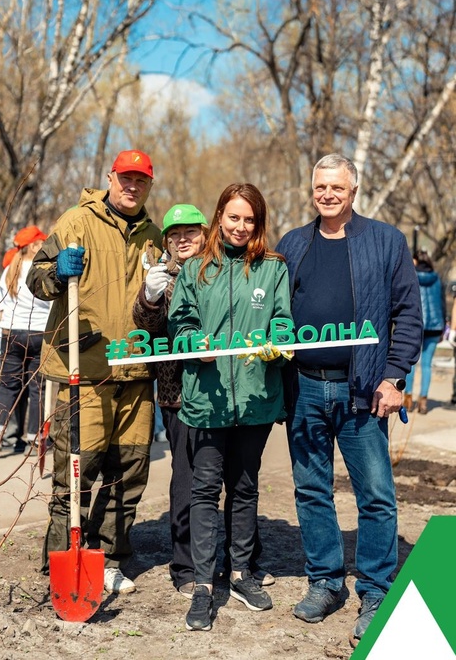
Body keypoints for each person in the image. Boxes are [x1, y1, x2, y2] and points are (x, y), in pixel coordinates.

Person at [276, 153, 422, 648]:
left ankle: (376, 589)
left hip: (363, 391)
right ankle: (325, 582)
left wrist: (394, 376)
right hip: (305, 388)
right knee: (311, 489)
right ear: (312, 189)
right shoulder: (293, 244)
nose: (328, 195)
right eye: (320, 187)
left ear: (353, 190)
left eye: (337, 187)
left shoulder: (385, 241)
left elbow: (408, 314)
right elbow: (275, 315)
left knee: (376, 495)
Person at [26, 149, 163, 595]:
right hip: (82, 371)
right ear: (111, 177)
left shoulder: (155, 237)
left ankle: (110, 558)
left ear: (149, 184)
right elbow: (36, 278)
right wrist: (54, 272)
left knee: (131, 470)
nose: (131, 186)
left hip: (137, 373)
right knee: (76, 472)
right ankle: (61, 562)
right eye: (125, 178)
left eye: (140, 180)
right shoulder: (75, 222)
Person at [133, 203, 275, 601]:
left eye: (190, 233)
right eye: (174, 235)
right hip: (178, 393)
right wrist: (150, 296)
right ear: (166, 241)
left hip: (228, 391)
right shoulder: (163, 274)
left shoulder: (220, 267)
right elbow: (146, 327)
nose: (183, 240)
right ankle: (186, 568)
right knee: (190, 480)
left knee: (237, 477)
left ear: (205, 232)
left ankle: (242, 562)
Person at [168, 184, 293, 631]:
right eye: (233, 217)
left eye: (250, 220)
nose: (241, 227)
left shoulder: (272, 269)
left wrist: (279, 338)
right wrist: (191, 343)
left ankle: (240, 574)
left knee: (244, 489)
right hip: (207, 397)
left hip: (256, 399)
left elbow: (282, 318)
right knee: (203, 490)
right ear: (219, 216)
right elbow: (180, 321)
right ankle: (203, 585)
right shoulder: (196, 269)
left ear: (258, 223)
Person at [0, 226, 51, 457]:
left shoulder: (9, 271)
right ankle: (36, 437)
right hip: (39, 334)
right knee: (37, 388)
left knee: (8, 386)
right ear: (34, 246)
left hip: (11, 334)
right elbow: (53, 304)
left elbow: (2, 308)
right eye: (42, 243)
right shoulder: (42, 270)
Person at [404, 251, 445, 414]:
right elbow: (441, 303)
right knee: (427, 365)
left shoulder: (410, 276)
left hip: (416, 325)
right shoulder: (437, 278)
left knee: (411, 363)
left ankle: (408, 400)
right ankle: (423, 401)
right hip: (435, 326)